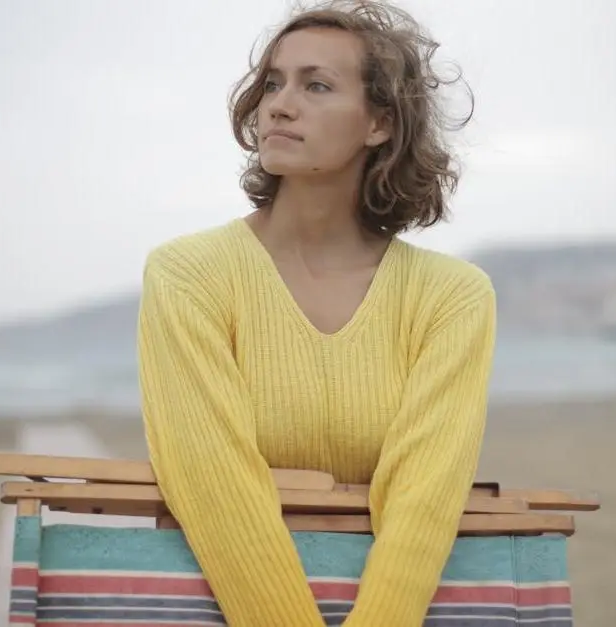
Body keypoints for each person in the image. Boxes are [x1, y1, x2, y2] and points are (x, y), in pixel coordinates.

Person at [136, 1, 495, 625]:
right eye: (273, 82)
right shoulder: (189, 275)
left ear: (379, 123)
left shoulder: (452, 297)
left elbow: (424, 499)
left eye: (317, 85)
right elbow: (211, 480)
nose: (279, 103)